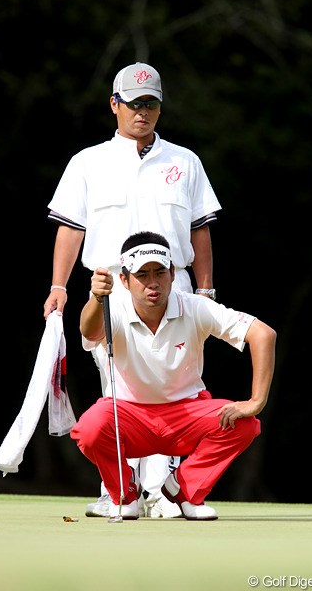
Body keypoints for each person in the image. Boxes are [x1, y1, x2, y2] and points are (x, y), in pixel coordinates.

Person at [43, 62, 222, 518]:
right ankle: (119, 491)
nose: (142, 111)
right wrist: (59, 285)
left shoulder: (184, 161)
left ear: (160, 107)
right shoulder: (88, 162)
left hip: (174, 289)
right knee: (117, 386)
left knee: (176, 386)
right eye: (133, 103)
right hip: (111, 291)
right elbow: (71, 228)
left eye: (150, 103)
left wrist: (206, 291)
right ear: (114, 104)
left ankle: (164, 492)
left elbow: (200, 229)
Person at [71, 231, 276, 520]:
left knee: (244, 423)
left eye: (159, 272)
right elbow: (89, 332)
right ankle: (125, 493)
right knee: (90, 427)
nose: (152, 282)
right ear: (124, 281)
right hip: (128, 416)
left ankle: (183, 489)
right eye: (142, 275)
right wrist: (96, 298)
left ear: (172, 274)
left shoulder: (194, 306)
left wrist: (256, 401)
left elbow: (263, 334)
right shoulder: (111, 306)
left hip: (186, 415)